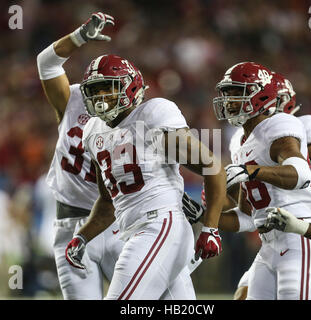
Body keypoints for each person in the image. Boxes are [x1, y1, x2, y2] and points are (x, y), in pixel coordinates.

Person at [63, 38, 228, 300]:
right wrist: (82, 237)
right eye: (95, 91)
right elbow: (108, 204)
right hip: (137, 230)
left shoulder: (153, 114)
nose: (100, 97)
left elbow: (212, 166)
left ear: (131, 87)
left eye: (108, 88)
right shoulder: (93, 132)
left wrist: (210, 228)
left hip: (160, 225)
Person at [197, 61, 311, 300]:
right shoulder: (241, 141)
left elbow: (302, 175)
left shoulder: (287, 125)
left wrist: (250, 171)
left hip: (302, 231)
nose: (229, 101)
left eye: (237, 93)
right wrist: (205, 214)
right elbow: (247, 217)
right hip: (270, 241)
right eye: (228, 93)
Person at [37, 12, 125, 299]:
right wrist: (79, 37)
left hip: (120, 225)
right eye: (98, 86)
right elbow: (46, 62)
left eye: (112, 87)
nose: (104, 95)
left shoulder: (138, 117)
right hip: (71, 224)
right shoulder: (72, 100)